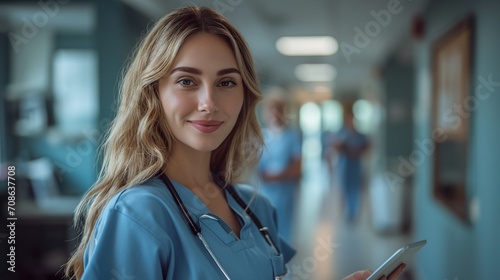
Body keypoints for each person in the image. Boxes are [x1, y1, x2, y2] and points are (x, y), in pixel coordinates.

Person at [64, 6, 404, 280]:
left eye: (226, 82)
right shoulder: (138, 215)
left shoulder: (255, 207)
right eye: (186, 81)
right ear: (153, 94)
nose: (209, 102)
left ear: (245, 97)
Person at [258, 92, 301, 244]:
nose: (275, 113)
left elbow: (297, 167)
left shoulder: (292, 136)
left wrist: (276, 177)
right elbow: (255, 167)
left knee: (283, 226)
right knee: (265, 224)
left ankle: (283, 257)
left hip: (285, 191)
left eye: (279, 109)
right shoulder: (261, 137)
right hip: (265, 191)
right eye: (272, 109)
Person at [333, 106, 370, 223]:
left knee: (355, 188)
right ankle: (346, 210)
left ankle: (353, 213)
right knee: (345, 188)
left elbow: (367, 147)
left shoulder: (360, 135)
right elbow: (336, 146)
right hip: (345, 164)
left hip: (356, 164)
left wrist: (356, 150)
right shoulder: (341, 133)